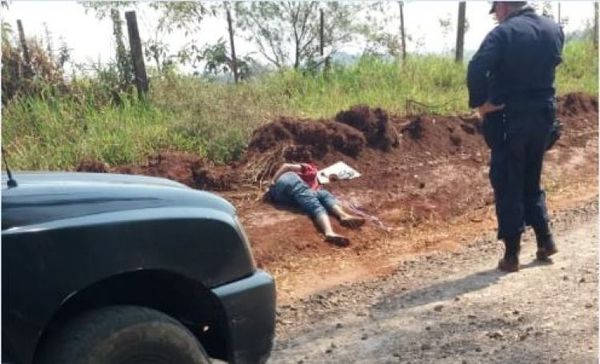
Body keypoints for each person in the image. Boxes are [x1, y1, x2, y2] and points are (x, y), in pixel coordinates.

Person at [467, 1, 564, 272]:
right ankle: (545, 239)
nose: (496, 17)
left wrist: (481, 103)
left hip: (511, 119)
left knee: (508, 181)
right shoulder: (553, 28)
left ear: (504, 7)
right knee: (531, 177)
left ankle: (512, 255)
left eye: (496, 11)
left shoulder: (504, 33)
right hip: (544, 118)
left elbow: (476, 68)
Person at [268, 162, 365, 246]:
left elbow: (314, 193)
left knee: (324, 194)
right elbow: (286, 166)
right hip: (288, 181)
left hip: (284, 195)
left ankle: (344, 216)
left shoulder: (317, 185)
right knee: (317, 207)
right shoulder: (311, 169)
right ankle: (329, 232)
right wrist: (273, 180)